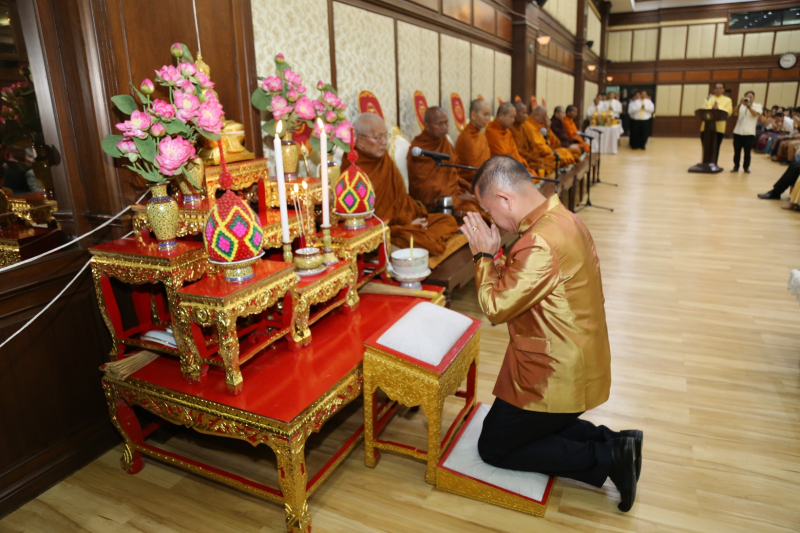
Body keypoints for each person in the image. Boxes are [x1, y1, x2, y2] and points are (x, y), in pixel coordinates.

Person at [460, 155, 642, 512]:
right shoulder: (562, 218)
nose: (490, 220)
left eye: (487, 210)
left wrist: (483, 257)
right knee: (511, 429)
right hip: (569, 352)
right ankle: (619, 441)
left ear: (504, 200)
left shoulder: (539, 241)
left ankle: (607, 459)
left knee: (494, 446)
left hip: (555, 372)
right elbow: (519, 285)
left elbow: (497, 308)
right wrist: (497, 256)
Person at [342, 112, 460, 254]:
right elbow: (365, 219)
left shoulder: (383, 157)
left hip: (407, 220)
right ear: (360, 140)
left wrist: (412, 220)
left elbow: (400, 197)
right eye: (378, 137)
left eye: (385, 136)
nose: (384, 142)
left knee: (448, 221)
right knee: (417, 239)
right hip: (387, 229)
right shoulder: (353, 168)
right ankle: (406, 244)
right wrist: (407, 227)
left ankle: (408, 244)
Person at [407, 106, 482, 215]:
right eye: (439, 124)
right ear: (427, 126)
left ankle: (476, 230)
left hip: (454, 195)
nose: (444, 127)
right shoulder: (418, 149)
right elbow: (426, 190)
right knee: (472, 214)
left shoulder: (445, 142)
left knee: (483, 204)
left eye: (446, 123)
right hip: (437, 205)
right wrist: (459, 198)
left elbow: (453, 174)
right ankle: (470, 230)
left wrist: (466, 189)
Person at [485, 102, 536, 176]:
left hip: (513, 166)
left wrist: (523, 168)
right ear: (502, 116)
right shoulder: (491, 131)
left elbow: (515, 153)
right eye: (511, 117)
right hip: (501, 171)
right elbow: (502, 158)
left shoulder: (508, 131)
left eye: (514, 117)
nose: (513, 120)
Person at [454, 99, 492, 185]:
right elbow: (471, 171)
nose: (487, 118)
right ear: (474, 115)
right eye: (485, 114)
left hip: (485, 181)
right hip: (469, 184)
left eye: (488, 115)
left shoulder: (482, 136)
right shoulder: (466, 137)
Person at [731, 91, 762, 173]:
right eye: (747, 97)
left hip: (749, 133)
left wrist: (748, 106)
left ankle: (746, 167)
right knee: (736, 151)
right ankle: (736, 166)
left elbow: (755, 114)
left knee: (747, 152)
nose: (749, 98)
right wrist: (739, 103)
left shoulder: (758, 105)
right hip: (738, 131)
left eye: (751, 97)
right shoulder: (741, 105)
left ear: (754, 98)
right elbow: (734, 113)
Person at [509, 102, 545, 174]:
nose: (526, 115)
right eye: (524, 113)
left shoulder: (523, 127)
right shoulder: (510, 129)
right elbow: (516, 151)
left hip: (529, 159)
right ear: (516, 113)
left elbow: (532, 146)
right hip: (520, 161)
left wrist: (536, 158)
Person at [702, 83, 733, 165]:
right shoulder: (709, 98)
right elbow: (704, 109)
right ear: (713, 89)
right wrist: (712, 109)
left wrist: (718, 109)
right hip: (706, 127)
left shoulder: (727, 100)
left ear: (723, 90)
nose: (718, 89)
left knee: (716, 146)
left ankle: (714, 163)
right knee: (705, 146)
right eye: (716, 88)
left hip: (719, 128)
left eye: (720, 88)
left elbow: (728, 112)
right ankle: (705, 163)